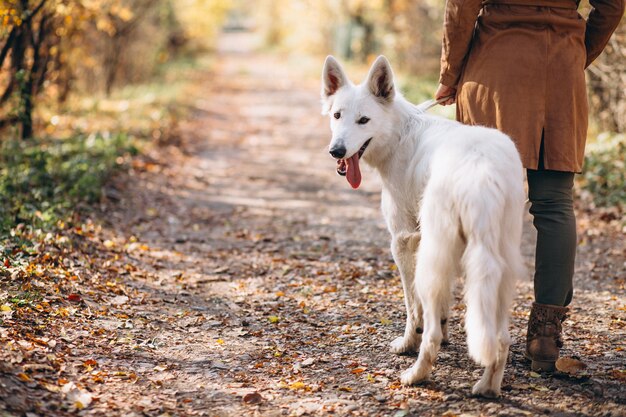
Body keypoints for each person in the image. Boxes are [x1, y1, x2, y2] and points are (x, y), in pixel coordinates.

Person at [435, 0, 624, 371]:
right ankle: (545, 337)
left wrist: (449, 73)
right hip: (561, 72)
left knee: (477, 197)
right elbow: (613, 4)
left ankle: (457, 320)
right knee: (554, 204)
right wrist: (576, 51)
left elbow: (461, 6)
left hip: (496, 67)